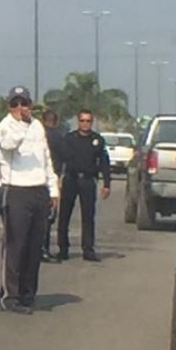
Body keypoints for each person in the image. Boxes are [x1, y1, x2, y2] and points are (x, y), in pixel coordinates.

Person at [0, 86, 59, 315]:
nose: (20, 108)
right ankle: (9, 296)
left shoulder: (38, 125)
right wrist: (21, 123)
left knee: (35, 246)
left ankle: (28, 294)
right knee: (15, 246)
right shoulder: (5, 127)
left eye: (25, 104)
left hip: (38, 189)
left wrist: (53, 188)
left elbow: (46, 158)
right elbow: (9, 145)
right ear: (9, 106)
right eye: (15, 104)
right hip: (16, 190)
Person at [58, 109, 111, 262]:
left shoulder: (97, 140)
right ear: (78, 121)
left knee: (88, 217)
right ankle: (63, 249)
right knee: (64, 215)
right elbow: (60, 159)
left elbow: (104, 163)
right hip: (71, 179)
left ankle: (88, 250)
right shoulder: (69, 139)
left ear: (92, 122)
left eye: (88, 121)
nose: (85, 124)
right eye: (82, 120)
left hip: (88, 181)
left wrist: (106, 184)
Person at [41, 109, 66, 263]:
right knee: (48, 217)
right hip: (52, 179)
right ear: (55, 122)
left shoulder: (37, 135)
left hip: (34, 180)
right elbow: (65, 158)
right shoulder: (58, 137)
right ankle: (43, 249)